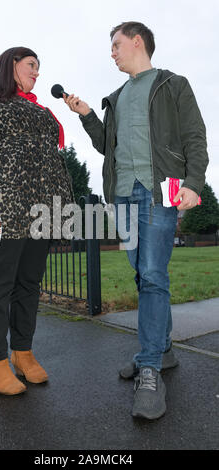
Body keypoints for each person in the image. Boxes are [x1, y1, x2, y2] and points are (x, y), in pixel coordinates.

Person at [63, 22, 209, 419]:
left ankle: (149, 369)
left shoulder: (171, 84)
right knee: (141, 273)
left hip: (158, 190)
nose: (111, 52)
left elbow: (195, 135)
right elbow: (104, 145)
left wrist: (194, 183)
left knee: (152, 274)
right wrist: (88, 114)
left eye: (116, 44)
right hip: (123, 195)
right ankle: (162, 351)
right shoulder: (118, 96)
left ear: (137, 41)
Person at [0, 47, 74, 395]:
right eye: (31, 66)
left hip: (41, 210)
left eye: (39, 68)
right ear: (12, 64)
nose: (37, 72)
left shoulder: (38, 108)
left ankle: (22, 353)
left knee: (29, 283)